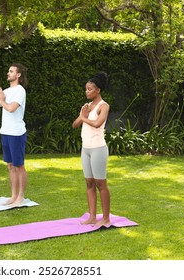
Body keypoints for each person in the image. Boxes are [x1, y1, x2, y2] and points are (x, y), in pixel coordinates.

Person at [72, 72, 111, 226]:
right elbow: (75, 125)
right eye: (86, 89)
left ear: (98, 90)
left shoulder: (104, 106)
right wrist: (82, 116)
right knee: (89, 183)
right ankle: (92, 216)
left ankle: (106, 218)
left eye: (89, 89)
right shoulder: (86, 107)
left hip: (98, 149)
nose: (86, 92)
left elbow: (97, 123)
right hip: (86, 149)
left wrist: (83, 118)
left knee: (101, 184)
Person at [0, 63, 28, 206]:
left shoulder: (20, 91)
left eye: (11, 71)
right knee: (10, 165)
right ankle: (13, 196)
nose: (8, 73)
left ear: (18, 75)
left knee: (19, 166)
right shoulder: (6, 91)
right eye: (8, 71)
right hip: (5, 132)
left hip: (16, 134)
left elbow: (11, 108)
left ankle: (21, 197)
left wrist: (1, 100)